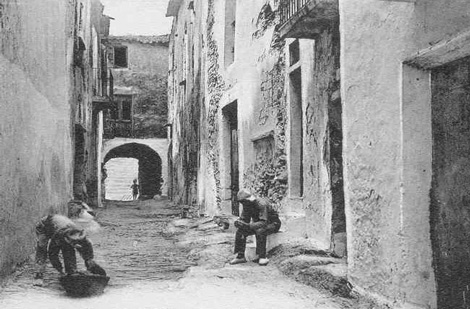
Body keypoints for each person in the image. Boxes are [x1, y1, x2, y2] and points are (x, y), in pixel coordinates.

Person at [33, 200, 106, 286]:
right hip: (44, 226)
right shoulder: (59, 236)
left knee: (68, 249)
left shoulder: (79, 234)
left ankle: (71, 271)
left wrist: (89, 260)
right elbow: (53, 255)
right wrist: (60, 271)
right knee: (42, 248)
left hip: (61, 227)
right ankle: (38, 275)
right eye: (73, 242)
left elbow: (87, 247)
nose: (76, 244)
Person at [229, 189, 281, 266]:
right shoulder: (247, 205)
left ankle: (262, 257)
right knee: (241, 231)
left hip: (273, 224)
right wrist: (239, 223)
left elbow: (264, 222)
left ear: (248, 200)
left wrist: (249, 226)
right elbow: (244, 219)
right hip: (259, 224)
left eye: (243, 202)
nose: (243, 204)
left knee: (260, 231)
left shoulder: (261, 204)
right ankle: (240, 256)